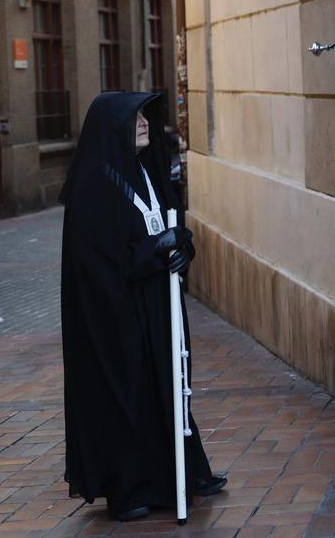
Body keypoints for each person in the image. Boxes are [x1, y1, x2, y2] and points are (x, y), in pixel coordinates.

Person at [59, 92, 226, 522]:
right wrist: (156, 251)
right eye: (134, 119)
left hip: (157, 300)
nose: (145, 124)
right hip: (117, 311)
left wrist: (181, 246)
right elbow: (98, 261)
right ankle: (130, 485)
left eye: (145, 118)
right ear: (110, 128)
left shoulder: (144, 170)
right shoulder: (93, 182)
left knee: (171, 383)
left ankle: (184, 470)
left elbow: (169, 222)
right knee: (129, 391)